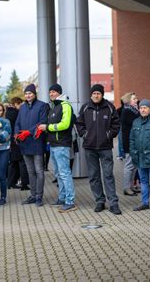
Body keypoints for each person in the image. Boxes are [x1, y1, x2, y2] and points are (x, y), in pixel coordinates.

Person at [76, 84, 122, 215]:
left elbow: (116, 124)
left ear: (102, 95)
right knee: (94, 176)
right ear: (91, 95)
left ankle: (113, 203)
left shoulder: (109, 107)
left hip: (105, 147)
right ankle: (100, 201)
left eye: (98, 93)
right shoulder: (85, 107)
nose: (96, 95)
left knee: (108, 175)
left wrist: (109, 135)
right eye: (94, 93)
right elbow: (79, 124)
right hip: (90, 148)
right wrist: (85, 135)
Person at [44, 84, 77, 212]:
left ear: (59, 93)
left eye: (53, 92)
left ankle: (70, 201)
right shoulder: (54, 106)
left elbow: (65, 124)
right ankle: (62, 198)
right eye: (50, 92)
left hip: (62, 144)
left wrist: (48, 128)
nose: (51, 94)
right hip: (53, 144)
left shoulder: (65, 105)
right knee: (58, 173)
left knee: (64, 173)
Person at [15, 84, 48, 207]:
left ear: (34, 94)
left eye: (30, 93)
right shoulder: (22, 107)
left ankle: (39, 196)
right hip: (24, 143)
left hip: (36, 142)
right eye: (26, 93)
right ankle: (33, 195)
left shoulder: (42, 105)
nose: (28, 95)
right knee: (30, 171)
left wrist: (28, 132)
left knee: (39, 170)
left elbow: (43, 121)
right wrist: (16, 134)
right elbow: (17, 122)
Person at [120, 92, 139, 196]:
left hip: (134, 142)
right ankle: (127, 188)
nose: (136, 100)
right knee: (129, 165)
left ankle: (131, 186)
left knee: (134, 165)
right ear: (128, 100)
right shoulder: (127, 111)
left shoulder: (133, 110)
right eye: (134, 99)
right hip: (129, 142)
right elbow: (136, 123)